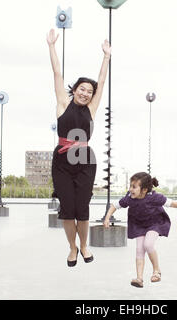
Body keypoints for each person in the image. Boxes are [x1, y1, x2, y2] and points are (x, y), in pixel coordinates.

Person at [47, 28, 111, 267]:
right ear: (75, 90)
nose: (86, 93)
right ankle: (72, 248)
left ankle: (84, 245)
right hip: (62, 161)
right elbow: (56, 73)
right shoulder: (63, 103)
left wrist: (106, 56)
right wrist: (52, 46)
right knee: (67, 209)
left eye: (90, 91)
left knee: (82, 208)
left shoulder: (91, 110)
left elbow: (102, 81)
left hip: (85, 160)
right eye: (82, 89)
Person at [104, 172, 177, 288]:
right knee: (139, 249)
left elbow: (171, 203)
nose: (131, 189)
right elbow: (115, 205)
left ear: (144, 189)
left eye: (134, 187)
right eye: (130, 186)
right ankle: (139, 278)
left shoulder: (154, 197)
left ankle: (157, 270)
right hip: (139, 225)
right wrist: (107, 218)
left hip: (154, 223)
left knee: (148, 244)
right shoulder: (129, 198)